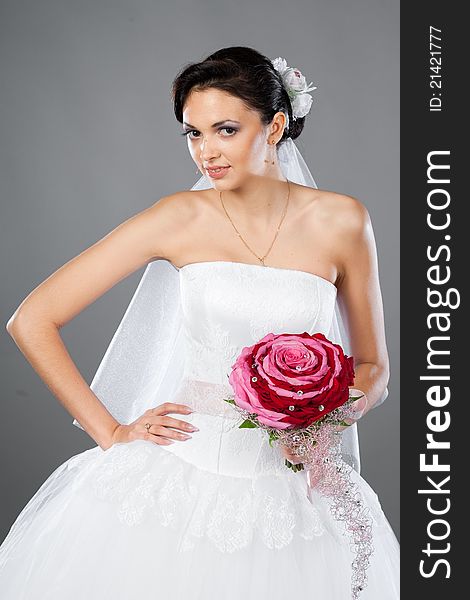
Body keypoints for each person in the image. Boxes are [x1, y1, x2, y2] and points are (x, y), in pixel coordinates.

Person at [0, 46, 399, 599]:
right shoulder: (177, 217)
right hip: (177, 479)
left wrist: (320, 425)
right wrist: (112, 433)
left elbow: (374, 366)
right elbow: (32, 319)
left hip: (293, 492)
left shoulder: (342, 220)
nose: (205, 151)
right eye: (193, 134)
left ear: (276, 125)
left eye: (225, 130)